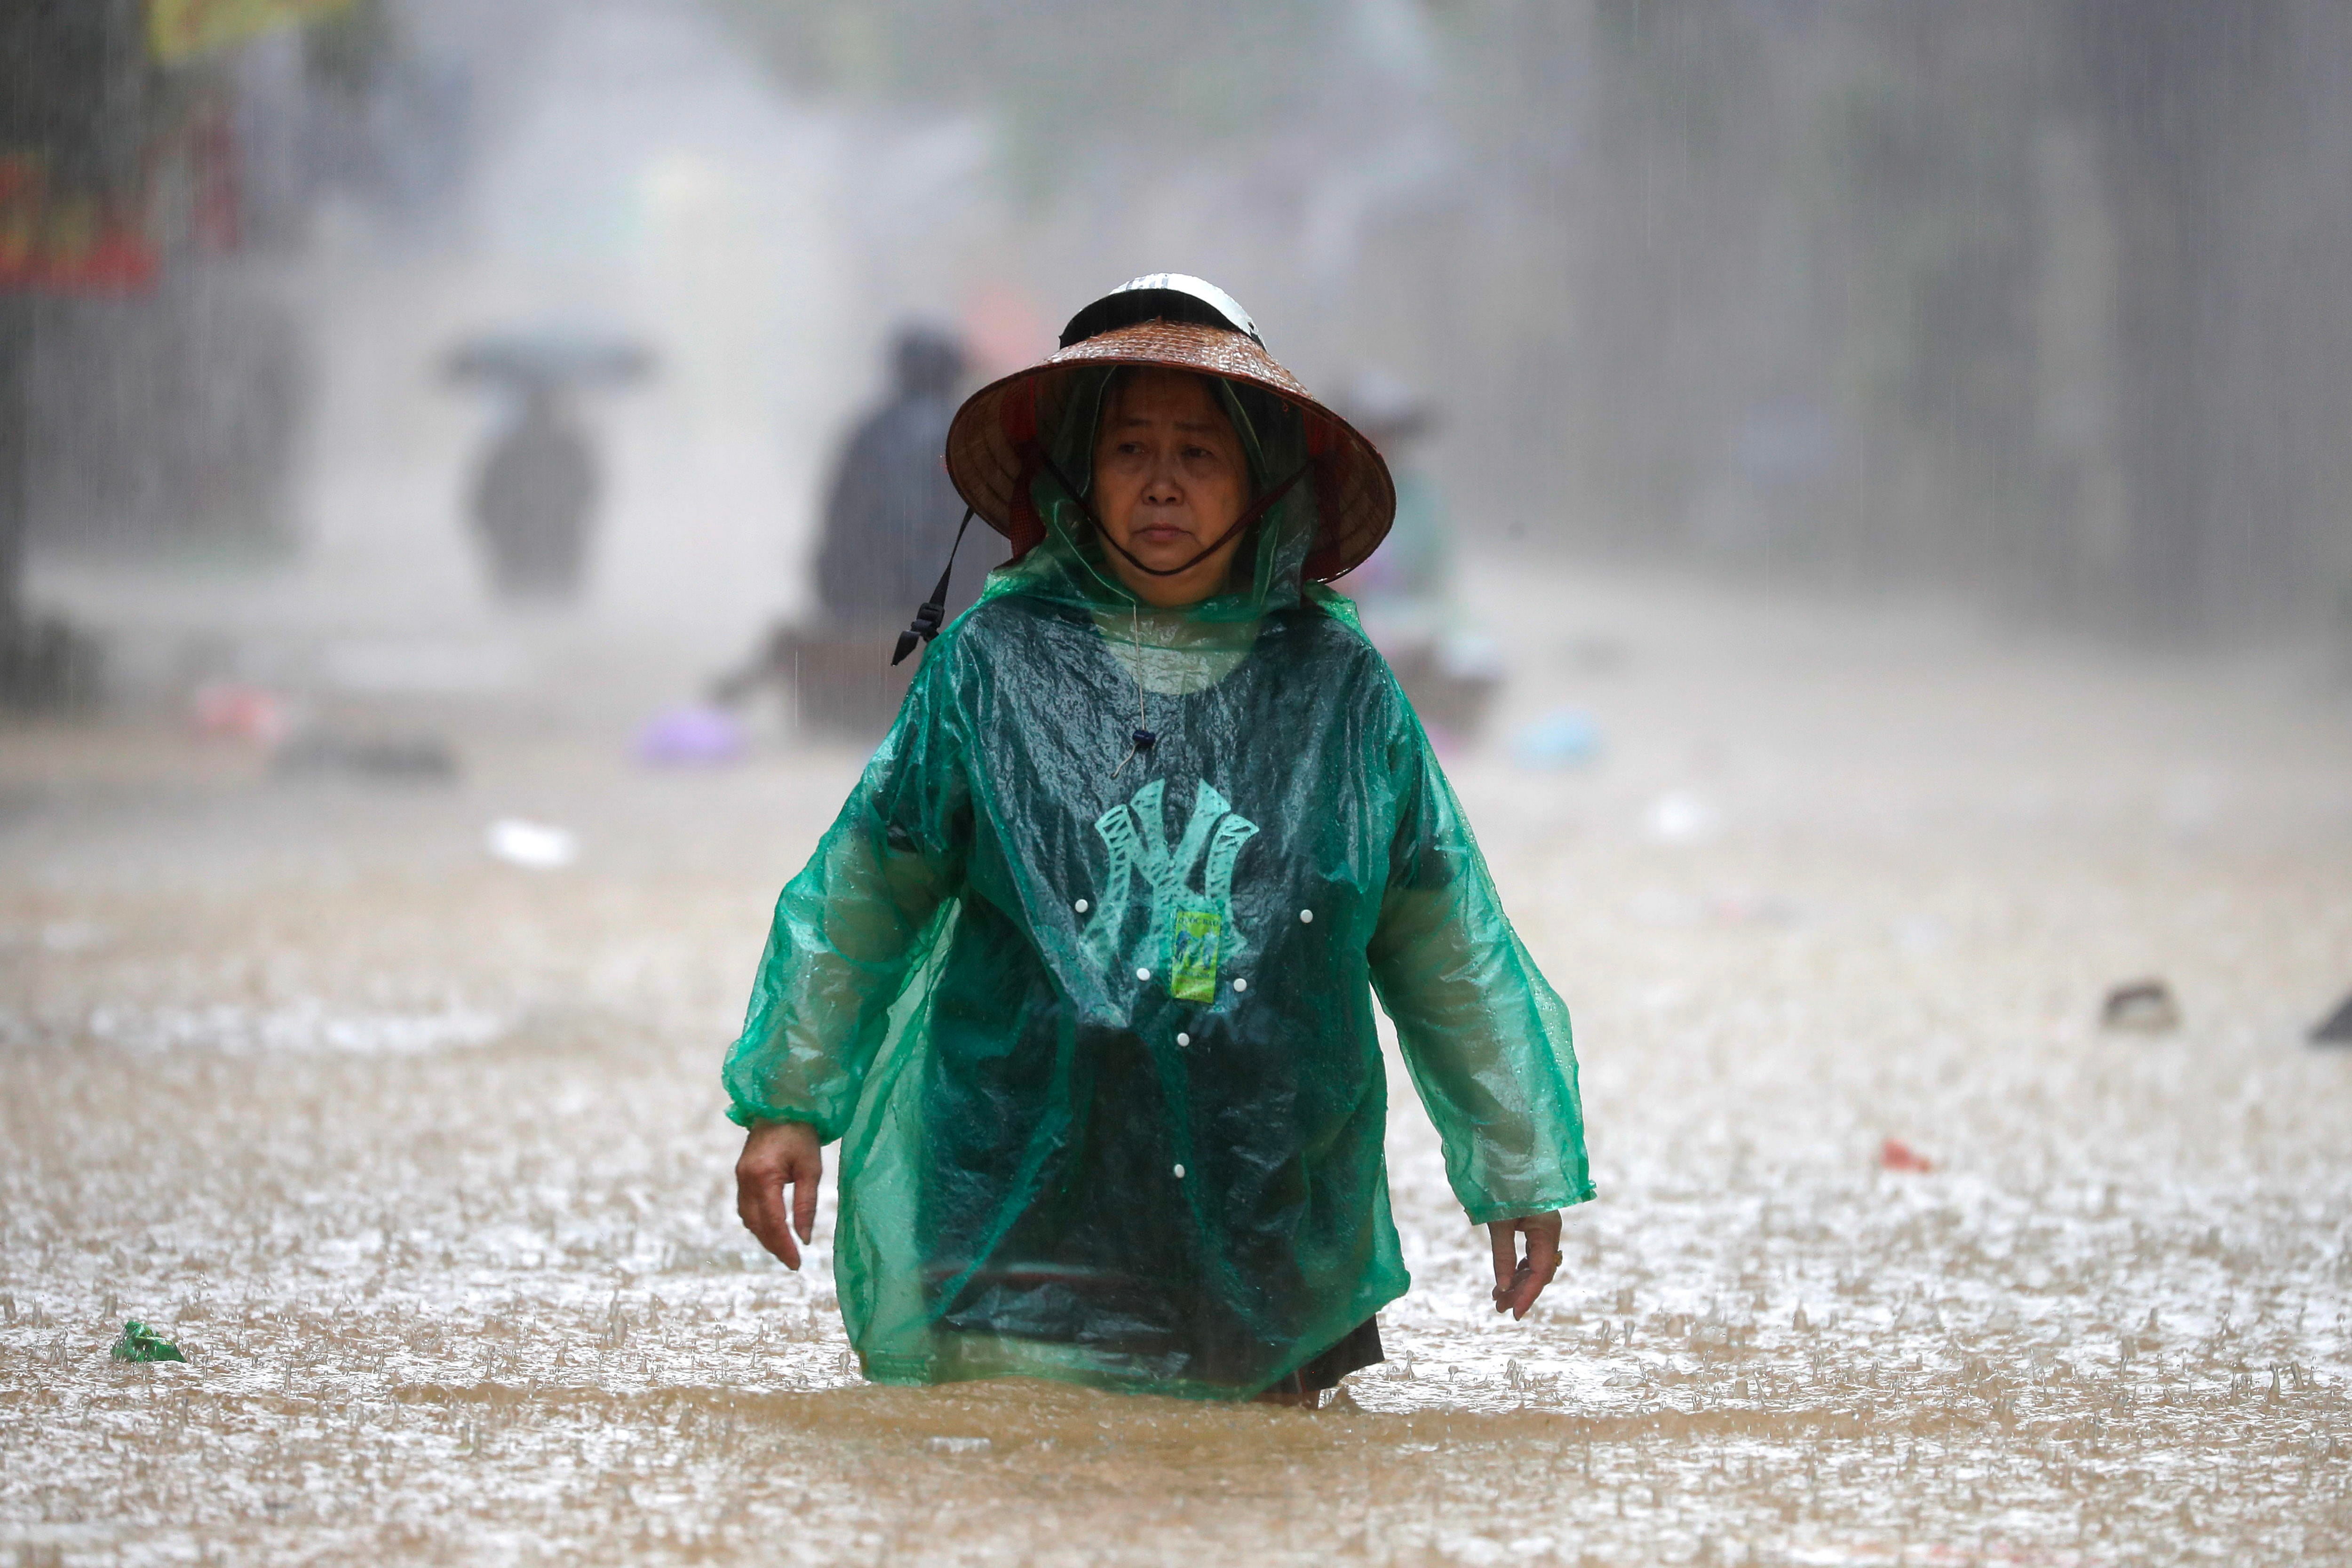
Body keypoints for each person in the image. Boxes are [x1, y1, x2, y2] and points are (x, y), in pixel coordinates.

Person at [724, 275, 1592, 1404]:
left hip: (1268, 1203)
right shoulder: (991, 669)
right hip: (1020, 1210)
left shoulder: (1339, 692)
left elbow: (1440, 932)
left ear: (1261, 484)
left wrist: (1512, 1161)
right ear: (1080, 477)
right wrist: (791, 1100)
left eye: (1201, 453)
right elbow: (864, 891)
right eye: (1132, 449)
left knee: (1259, 1488)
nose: (1164, 484)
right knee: (1019, 1481)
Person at [812, 323, 975, 626]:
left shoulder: (868, 433)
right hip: (939, 603)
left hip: (861, 602)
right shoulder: (966, 434)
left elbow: (840, 523)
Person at [469, 382, 598, 602]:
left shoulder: (507, 447)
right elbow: (589, 490)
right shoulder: (570, 447)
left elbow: (484, 498)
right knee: (557, 608)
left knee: (519, 609)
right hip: (556, 540)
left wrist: (492, 529)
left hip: (519, 542)